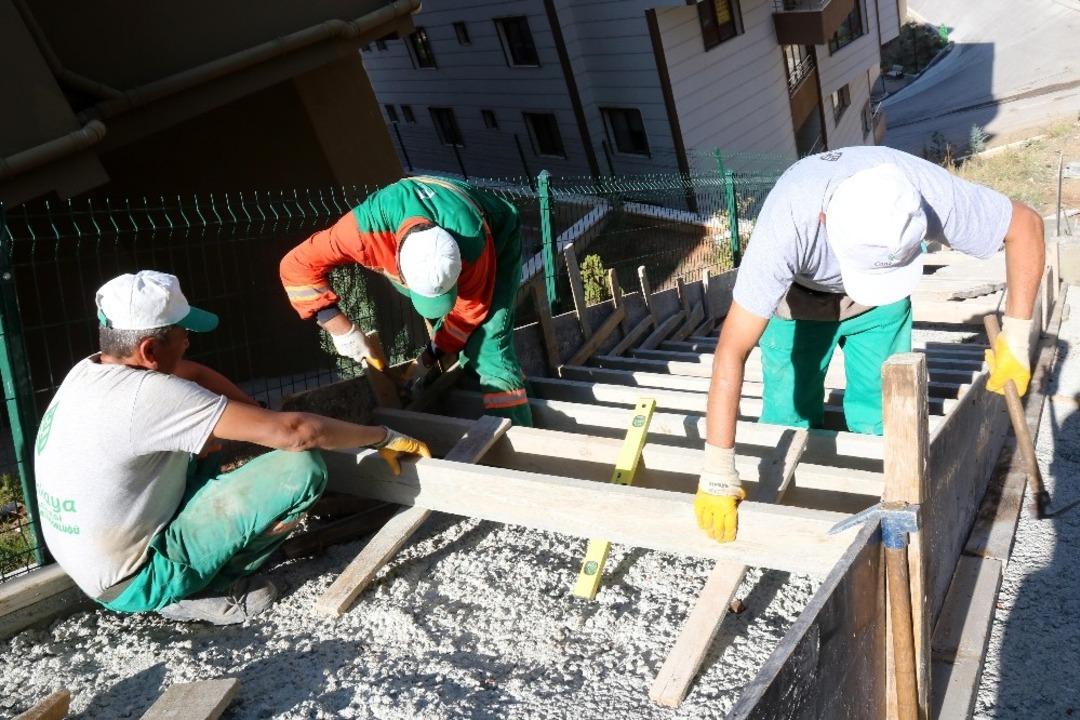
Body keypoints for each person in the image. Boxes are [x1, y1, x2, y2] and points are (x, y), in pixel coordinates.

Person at [33, 271, 431, 625]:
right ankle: (200, 589)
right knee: (302, 469)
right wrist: (381, 437)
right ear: (150, 351)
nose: (188, 342)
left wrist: (254, 413)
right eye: (182, 334)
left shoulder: (91, 371)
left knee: (213, 442)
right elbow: (298, 433)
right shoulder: (148, 396)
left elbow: (195, 373)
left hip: (91, 561)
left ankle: (189, 570)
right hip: (133, 579)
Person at [695, 146, 1045, 542]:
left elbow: (1026, 226)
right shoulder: (787, 224)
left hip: (881, 305)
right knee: (787, 415)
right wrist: (718, 470)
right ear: (825, 220)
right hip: (797, 301)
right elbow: (731, 351)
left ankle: (876, 515)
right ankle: (785, 518)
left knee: (881, 413)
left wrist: (1015, 339)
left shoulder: (927, 193)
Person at [279, 175, 533, 426]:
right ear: (398, 260)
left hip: (498, 234)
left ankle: (520, 440)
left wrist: (430, 356)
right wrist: (342, 330)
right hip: (411, 219)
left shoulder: (472, 245)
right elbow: (295, 266)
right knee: (467, 343)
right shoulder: (361, 232)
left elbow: (469, 314)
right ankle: (484, 386)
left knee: (489, 344)